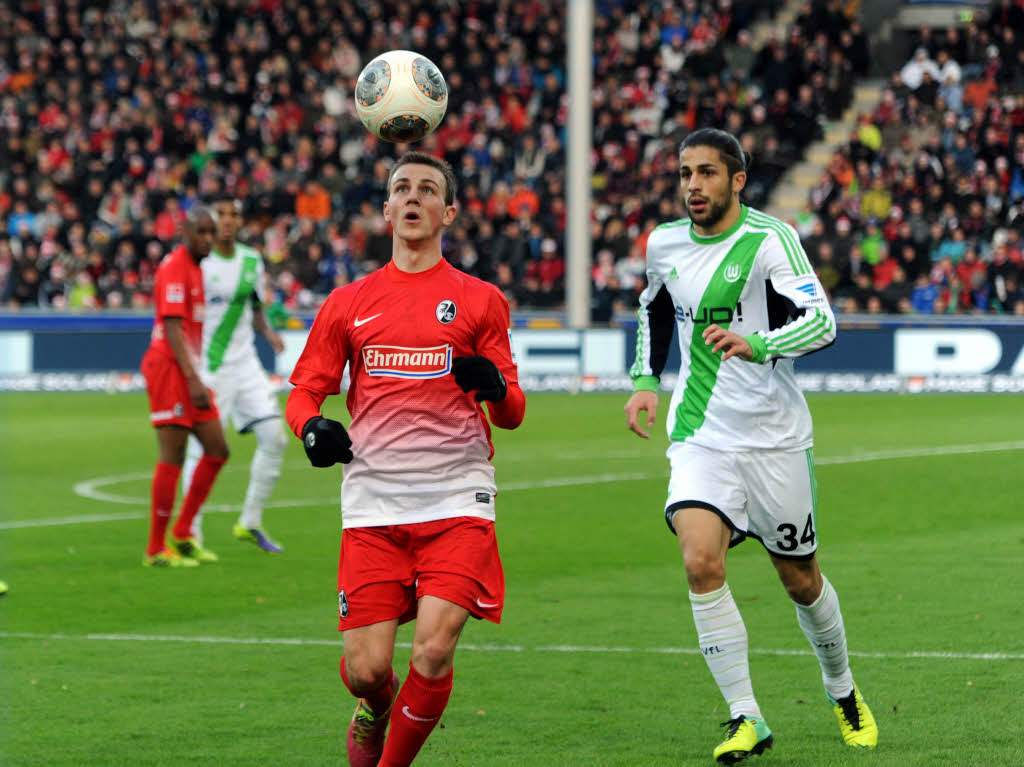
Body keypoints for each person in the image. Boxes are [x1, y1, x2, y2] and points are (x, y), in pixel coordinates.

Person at [623, 128, 877, 764]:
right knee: (700, 560)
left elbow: (823, 323)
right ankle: (746, 715)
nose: (692, 186)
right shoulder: (663, 244)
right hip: (700, 435)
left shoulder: (770, 240)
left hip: (773, 439)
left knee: (800, 581)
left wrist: (760, 344)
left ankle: (842, 690)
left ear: (737, 180)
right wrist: (645, 382)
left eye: (707, 173)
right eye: (685, 173)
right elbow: (652, 308)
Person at [285, 151, 525, 767]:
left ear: (448, 211)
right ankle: (375, 706)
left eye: (427, 189)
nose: (412, 197)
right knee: (367, 671)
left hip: (456, 499)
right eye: (401, 188)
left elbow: (513, 412)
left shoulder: (480, 301)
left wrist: (496, 386)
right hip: (373, 505)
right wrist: (311, 427)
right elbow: (306, 390)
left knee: (432, 652)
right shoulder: (348, 302)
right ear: (387, 209)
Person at [182, 195, 288, 553]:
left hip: (246, 366)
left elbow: (255, 307)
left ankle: (250, 522)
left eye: (233, 214)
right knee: (202, 449)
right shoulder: (199, 261)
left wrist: (269, 333)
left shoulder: (250, 260)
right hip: (210, 367)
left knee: (275, 439)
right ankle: (189, 533)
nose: (228, 220)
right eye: (221, 213)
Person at [140, 206, 229, 567]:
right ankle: (156, 548)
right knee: (172, 454)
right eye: (202, 232)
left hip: (189, 369)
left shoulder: (195, 268)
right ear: (186, 232)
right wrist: (194, 380)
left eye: (212, 232)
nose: (208, 238)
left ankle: (183, 530)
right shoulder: (176, 267)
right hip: (169, 369)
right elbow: (174, 328)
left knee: (217, 449)